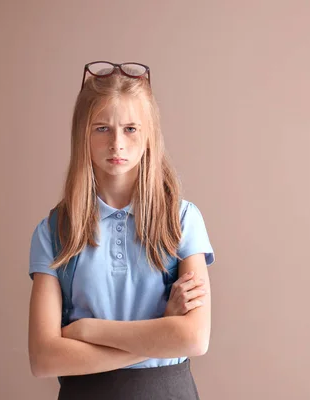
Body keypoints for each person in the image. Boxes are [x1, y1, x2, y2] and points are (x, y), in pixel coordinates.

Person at [27, 61, 215, 399]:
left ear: (149, 137)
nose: (117, 143)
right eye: (102, 128)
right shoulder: (54, 232)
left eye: (131, 128)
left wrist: (87, 330)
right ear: (82, 134)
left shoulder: (182, 220)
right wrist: (161, 333)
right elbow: (44, 358)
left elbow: (194, 338)